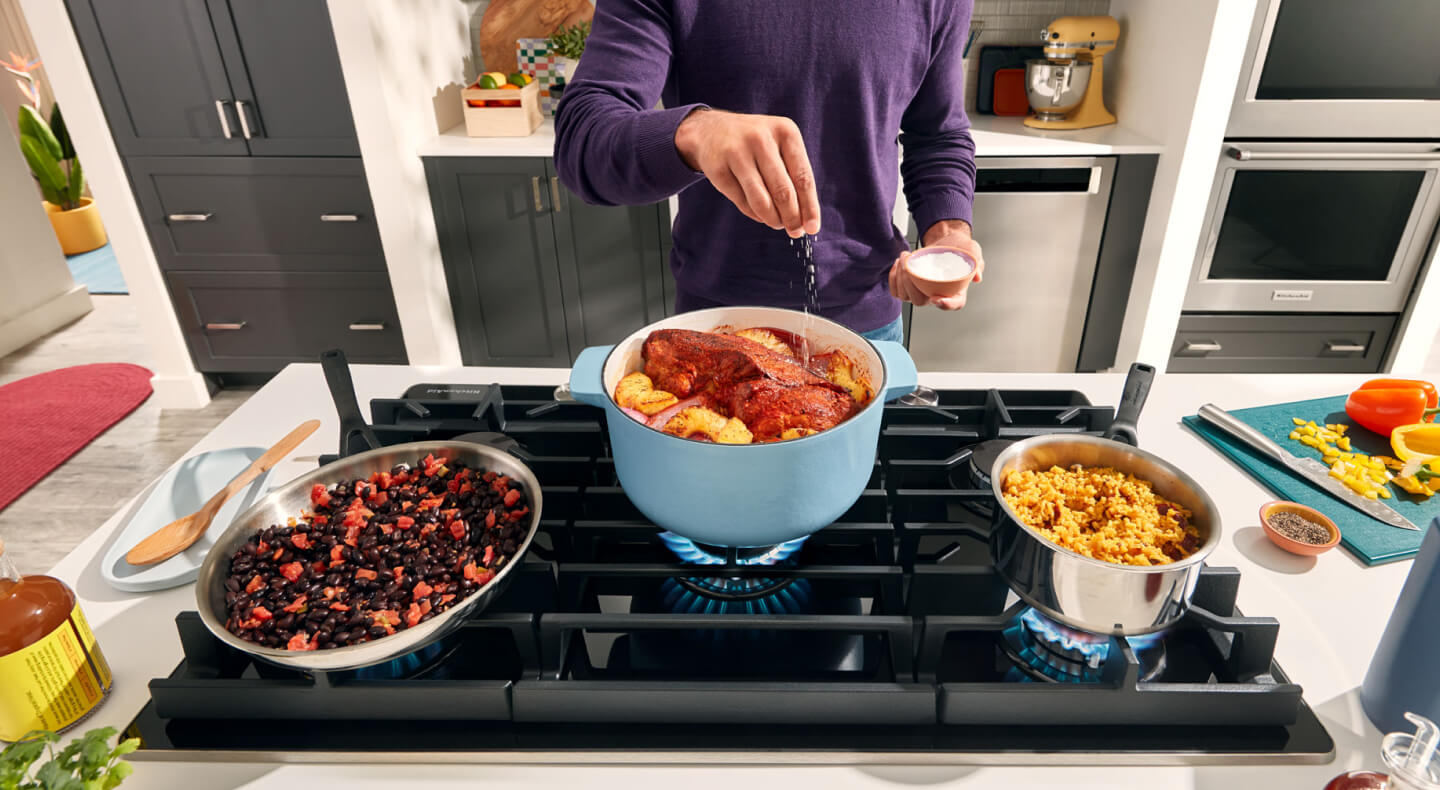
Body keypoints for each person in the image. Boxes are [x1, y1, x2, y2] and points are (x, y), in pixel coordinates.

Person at [553, 0, 983, 344]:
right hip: (717, 327)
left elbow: (938, 135)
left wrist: (948, 235)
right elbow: (583, 140)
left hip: (869, 322)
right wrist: (695, 132)